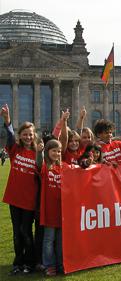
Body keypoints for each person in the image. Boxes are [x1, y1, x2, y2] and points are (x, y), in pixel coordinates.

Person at [1, 104, 38, 274]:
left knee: (26, 232)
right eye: (25, 134)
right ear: (21, 136)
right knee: (17, 233)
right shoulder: (15, 150)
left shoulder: (38, 154)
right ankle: (18, 263)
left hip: (29, 200)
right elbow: (9, 136)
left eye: (30, 134)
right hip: (14, 199)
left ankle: (29, 263)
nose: (28, 137)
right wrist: (7, 120)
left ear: (34, 135)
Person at [35, 139, 63, 276]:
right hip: (49, 210)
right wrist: (39, 152)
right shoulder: (45, 167)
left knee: (60, 241)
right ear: (47, 151)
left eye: (58, 151)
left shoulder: (62, 167)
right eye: (53, 151)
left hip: (61, 210)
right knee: (48, 240)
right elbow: (39, 163)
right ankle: (49, 265)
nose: (57, 153)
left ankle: (60, 264)